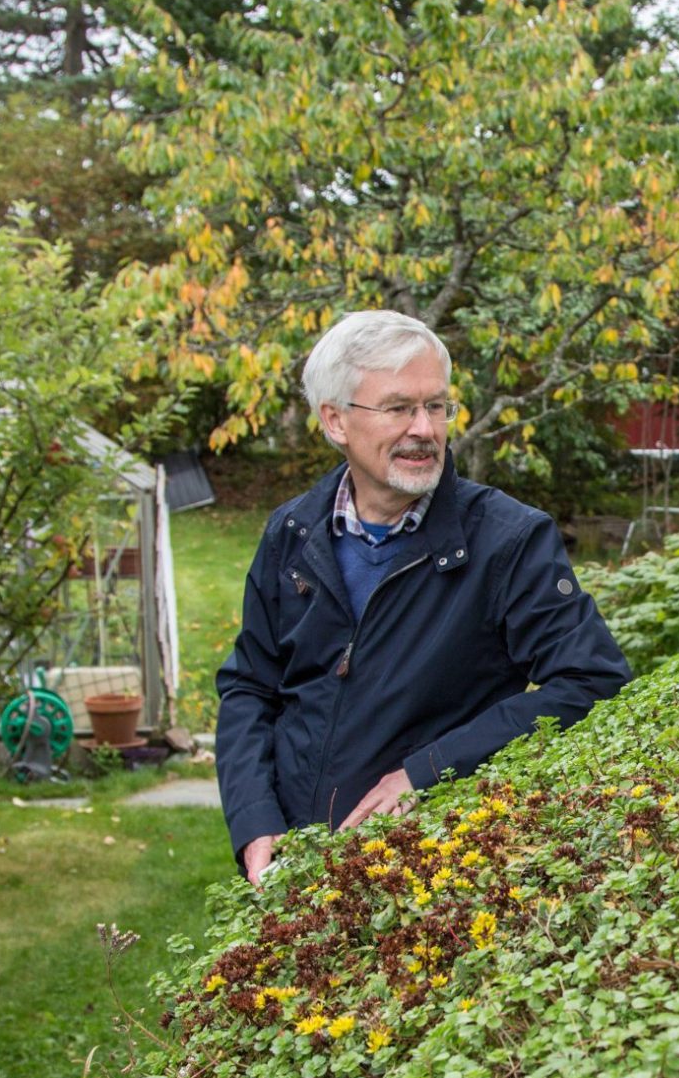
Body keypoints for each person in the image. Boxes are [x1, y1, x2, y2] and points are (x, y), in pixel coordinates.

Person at [217, 310, 631, 881]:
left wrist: (425, 772)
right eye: (398, 408)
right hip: (291, 868)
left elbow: (592, 682)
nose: (425, 429)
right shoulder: (293, 533)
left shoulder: (506, 541)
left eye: (436, 406)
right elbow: (250, 686)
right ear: (335, 421)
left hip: (431, 874)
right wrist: (253, 821)